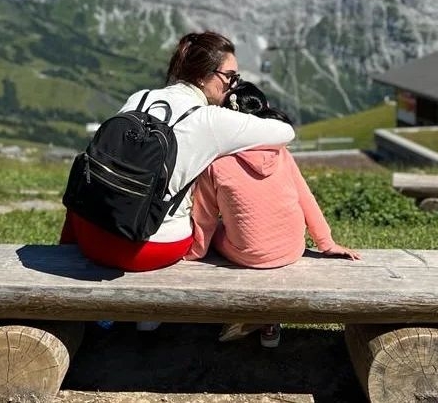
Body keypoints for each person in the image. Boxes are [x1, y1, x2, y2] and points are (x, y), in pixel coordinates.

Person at [60, 31, 295, 274]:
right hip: (142, 249)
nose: (232, 85)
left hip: (89, 234)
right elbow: (285, 132)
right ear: (202, 76)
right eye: (229, 76)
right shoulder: (211, 120)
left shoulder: (141, 97)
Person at [185, 80, 361, 347]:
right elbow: (306, 199)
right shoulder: (282, 153)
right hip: (292, 249)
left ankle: (248, 317)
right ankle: (269, 322)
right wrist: (327, 244)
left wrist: (195, 253)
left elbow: (204, 218)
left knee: (222, 230)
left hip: (249, 255)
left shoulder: (216, 164)